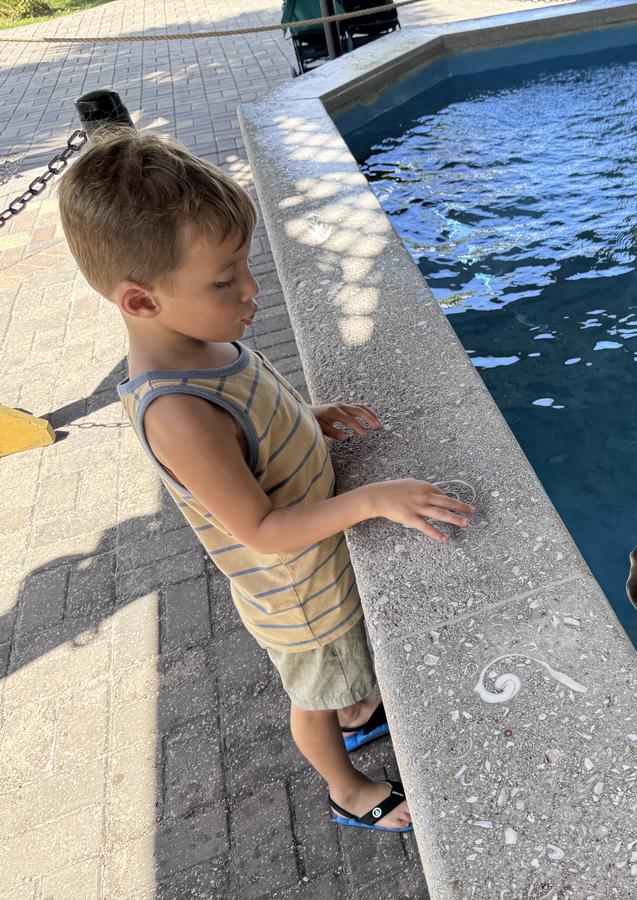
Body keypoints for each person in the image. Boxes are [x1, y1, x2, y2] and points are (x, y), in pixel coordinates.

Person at [57, 128, 475, 833]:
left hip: (317, 565)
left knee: (343, 683)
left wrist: (308, 418)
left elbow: (253, 425)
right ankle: (345, 786)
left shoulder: (203, 338)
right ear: (140, 302)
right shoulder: (180, 412)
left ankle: (356, 707)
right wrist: (371, 499)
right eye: (225, 280)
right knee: (314, 694)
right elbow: (260, 530)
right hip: (302, 602)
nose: (252, 290)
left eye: (243, 265)